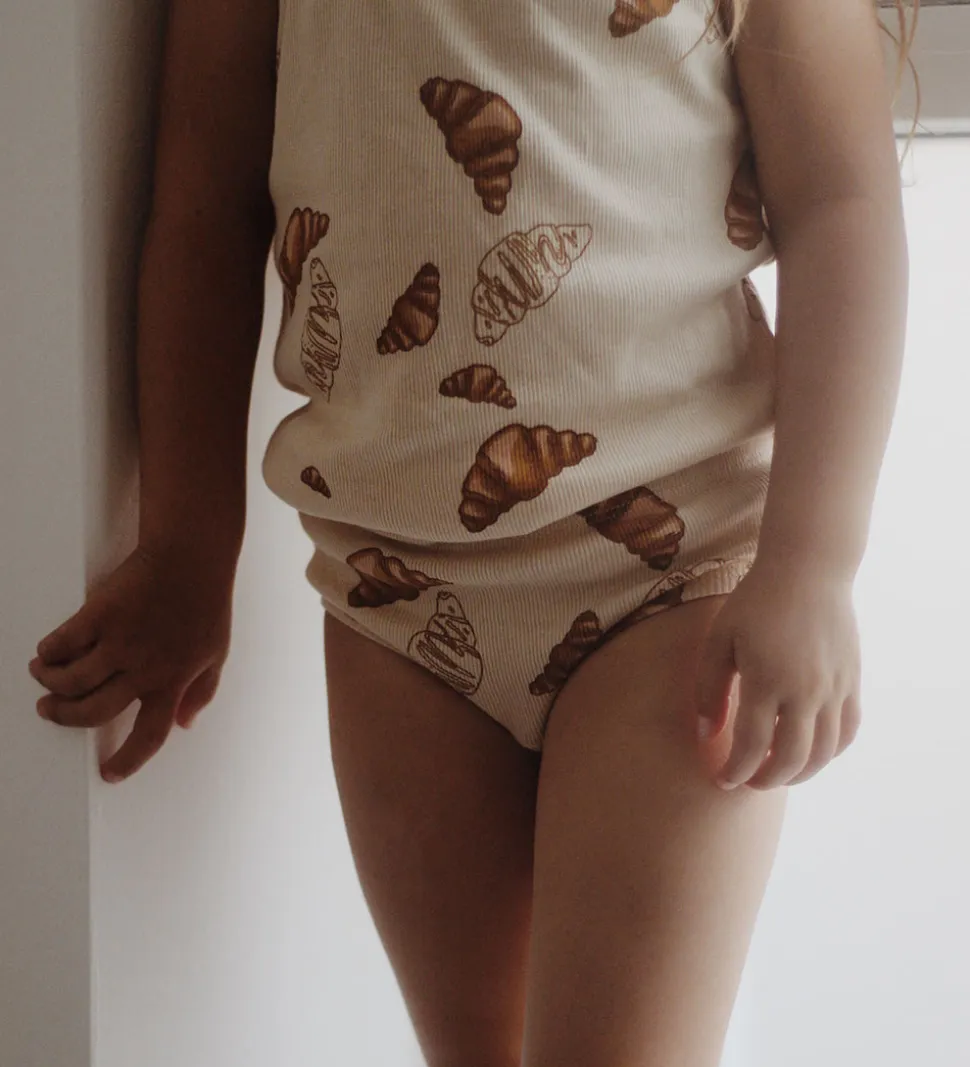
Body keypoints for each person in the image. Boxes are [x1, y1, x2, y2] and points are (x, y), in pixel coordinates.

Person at [27, 1, 916, 1063]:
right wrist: (186, 545)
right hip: (390, 589)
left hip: (673, 573)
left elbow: (841, 203)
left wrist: (813, 566)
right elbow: (205, 207)